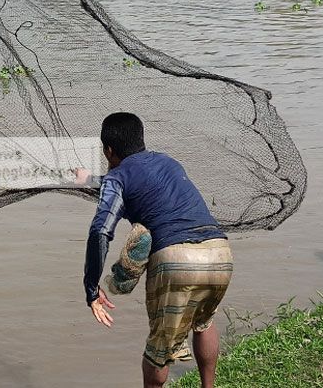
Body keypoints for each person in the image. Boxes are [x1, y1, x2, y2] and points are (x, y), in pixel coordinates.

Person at [76, 113, 233, 388]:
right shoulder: (168, 162)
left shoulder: (117, 178)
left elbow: (100, 231)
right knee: (204, 322)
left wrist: (91, 287)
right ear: (140, 139)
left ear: (108, 150)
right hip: (219, 253)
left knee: (158, 351)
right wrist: (90, 179)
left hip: (176, 259)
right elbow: (138, 181)